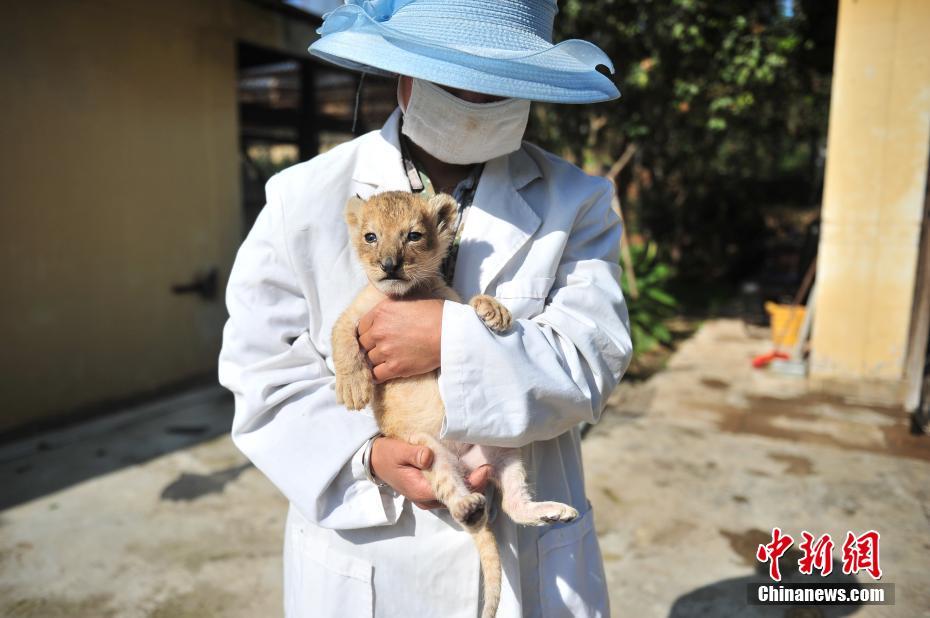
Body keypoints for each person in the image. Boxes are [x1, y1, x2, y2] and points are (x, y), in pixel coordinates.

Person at [218, 0, 633, 616]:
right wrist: (368, 455)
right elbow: (263, 373)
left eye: (499, 81)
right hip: (369, 560)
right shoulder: (300, 198)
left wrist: (449, 336)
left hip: (529, 564)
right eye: (453, 75)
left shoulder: (579, 202)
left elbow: (592, 358)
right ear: (401, 72)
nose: (477, 97)